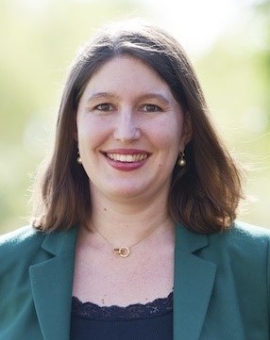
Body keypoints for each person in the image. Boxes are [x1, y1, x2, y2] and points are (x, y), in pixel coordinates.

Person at [0, 19, 269, 340]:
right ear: (74, 127)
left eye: (150, 108)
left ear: (186, 128)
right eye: (104, 107)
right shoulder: (6, 267)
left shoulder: (258, 265)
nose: (126, 132)